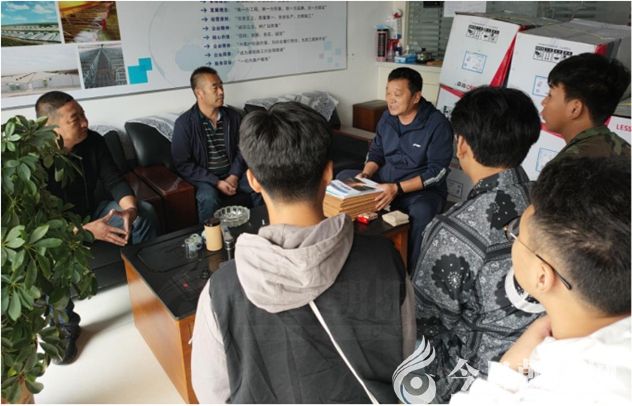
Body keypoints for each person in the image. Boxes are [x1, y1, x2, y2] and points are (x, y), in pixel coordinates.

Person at [191, 102, 415, 403]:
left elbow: (212, 394)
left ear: (253, 181)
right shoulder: (386, 260)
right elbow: (407, 359)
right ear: (329, 174)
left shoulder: (221, 290)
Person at [395, 87, 542, 403]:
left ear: (461, 144)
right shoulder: (548, 200)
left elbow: (425, 323)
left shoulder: (455, 229)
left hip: (478, 375)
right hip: (541, 358)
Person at [449, 156, 630, 404]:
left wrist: (507, 374)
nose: (513, 236)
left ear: (542, 276)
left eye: (516, 232)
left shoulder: (555, 393)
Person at [35, 91, 159, 364]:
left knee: (145, 215)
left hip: (94, 213)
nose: (85, 123)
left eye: (83, 114)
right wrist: (86, 231)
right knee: (43, 258)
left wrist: (129, 210)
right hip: (52, 234)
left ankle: (151, 293)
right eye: (75, 119)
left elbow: (115, 181)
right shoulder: (32, 161)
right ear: (49, 127)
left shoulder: (93, 142)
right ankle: (64, 326)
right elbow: (36, 231)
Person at [337, 67, 453, 268]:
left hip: (418, 190)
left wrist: (397, 188)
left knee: (423, 211)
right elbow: (376, 152)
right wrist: (365, 174)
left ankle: (410, 269)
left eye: (397, 94)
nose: (391, 100)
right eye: (388, 93)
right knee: (343, 178)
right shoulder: (387, 117)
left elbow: (437, 172)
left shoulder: (437, 124)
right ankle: (359, 255)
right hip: (385, 181)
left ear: (416, 97)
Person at [171, 66, 261, 223]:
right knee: (208, 198)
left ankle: (262, 228)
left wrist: (233, 176)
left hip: (234, 174)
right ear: (199, 93)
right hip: (204, 179)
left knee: (259, 183)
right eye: (215, 88)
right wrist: (216, 182)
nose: (221, 92)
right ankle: (211, 237)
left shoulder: (233, 117)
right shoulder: (185, 124)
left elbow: (243, 148)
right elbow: (182, 164)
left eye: (221, 86)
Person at [541, 52, 631, 164]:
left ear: (574, 109)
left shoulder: (568, 165)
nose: (543, 102)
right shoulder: (626, 151)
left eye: (550, 95)